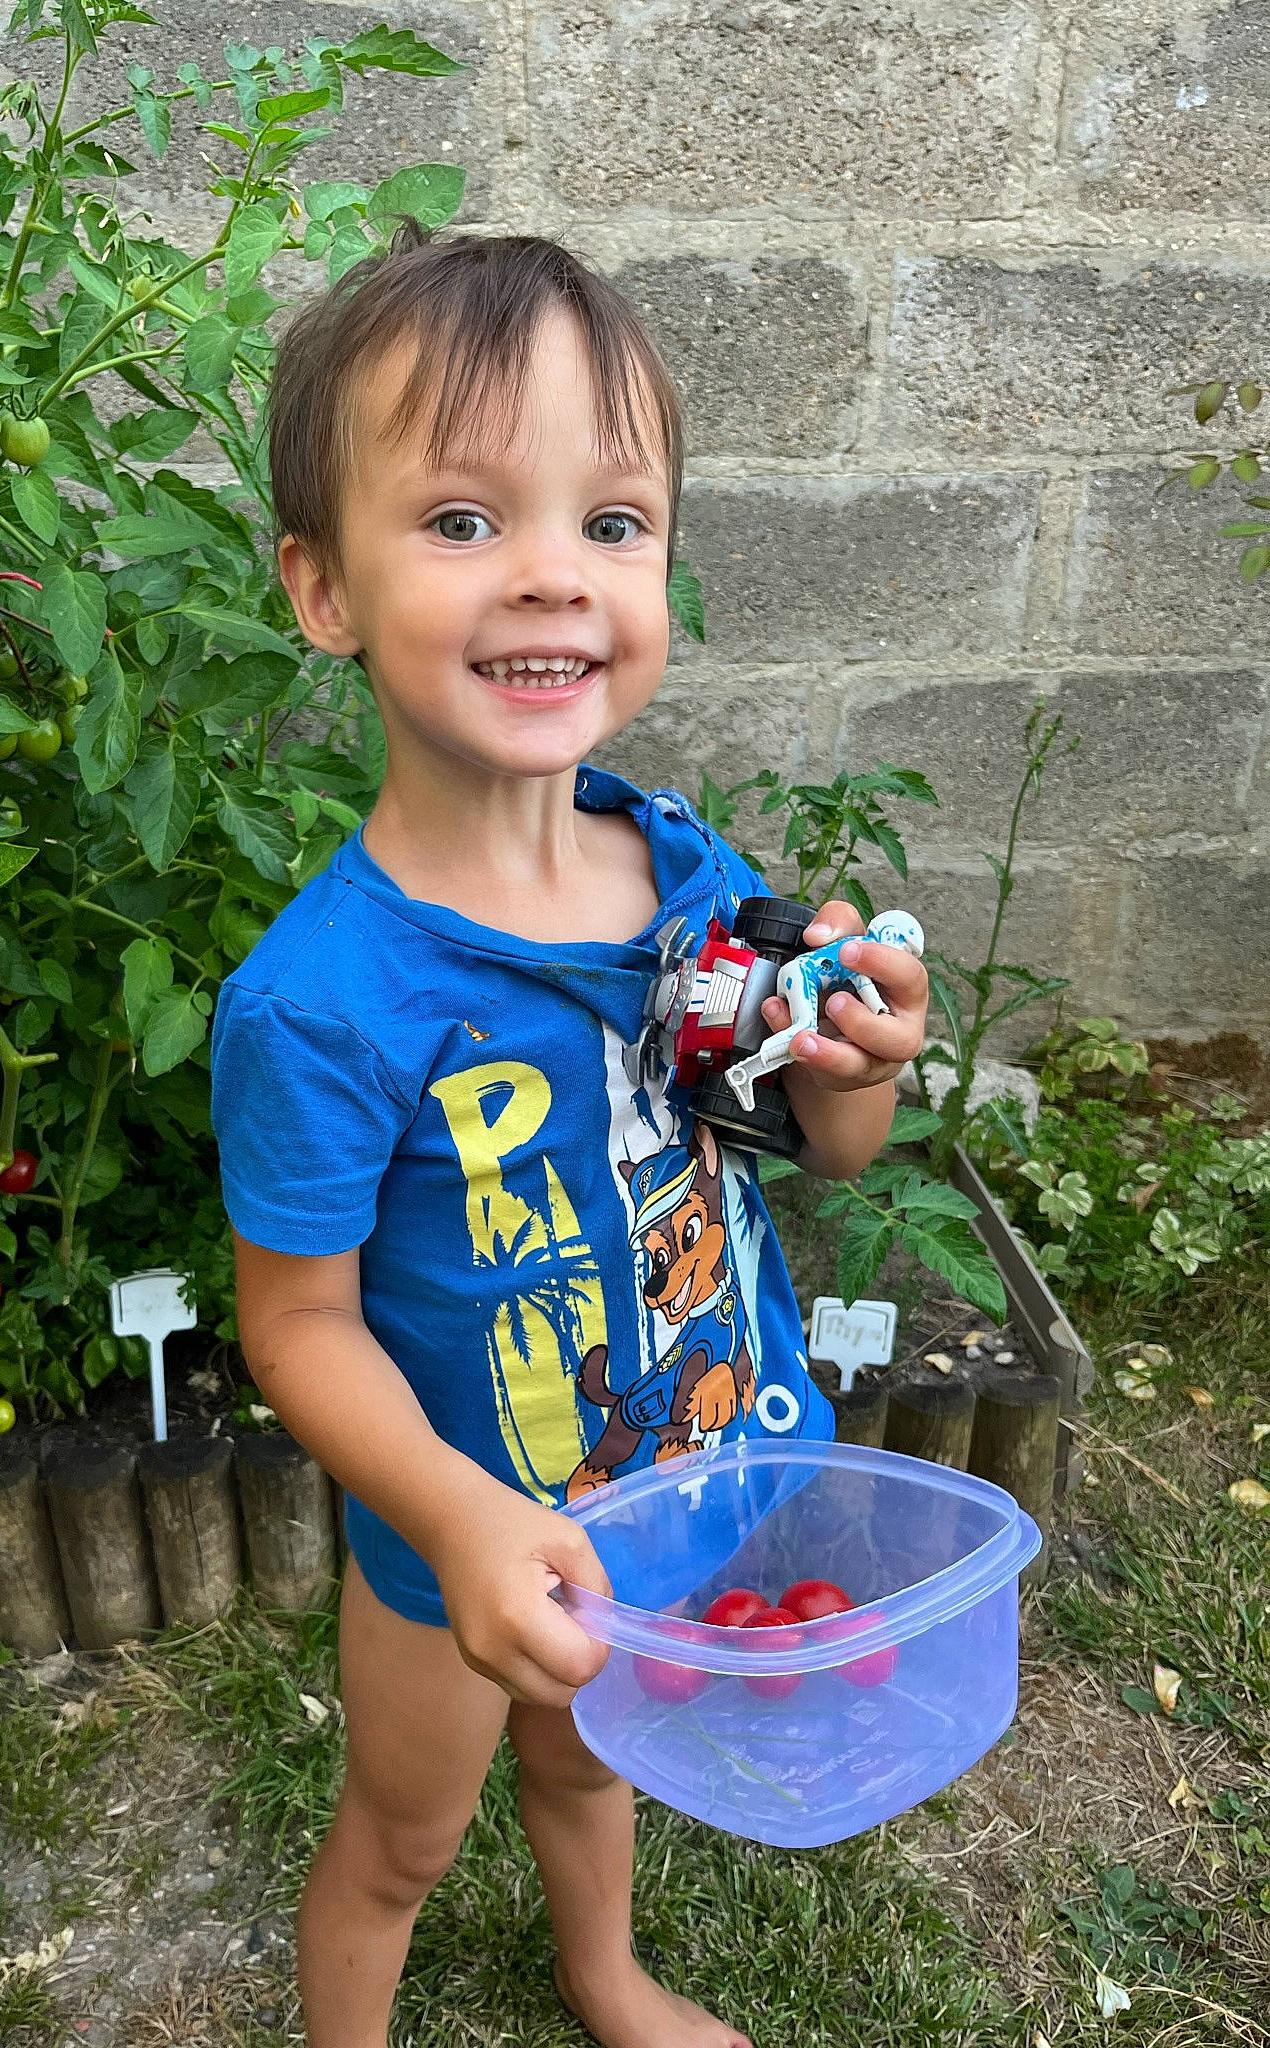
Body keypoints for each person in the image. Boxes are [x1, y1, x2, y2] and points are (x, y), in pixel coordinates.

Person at [212, 223, 930, 2048]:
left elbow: (815, 1153)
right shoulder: (322, 1004)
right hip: (462, 1521)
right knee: (402, 1832)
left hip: (666, 1476)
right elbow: (297, 1324)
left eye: (611, 524)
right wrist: (454, 1520)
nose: (550, 578)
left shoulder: (686, 872)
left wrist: (854, 1067)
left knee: (595, 1755)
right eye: (462, 522)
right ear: (321, 587)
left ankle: (605, 1971)